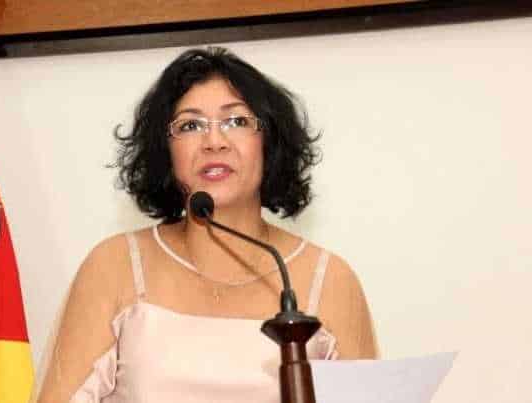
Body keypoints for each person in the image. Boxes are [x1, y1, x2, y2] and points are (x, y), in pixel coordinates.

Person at [36, 47, 376, 403]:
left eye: (236, 121)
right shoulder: (114, 266)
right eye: (190, 125)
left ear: (269, 142)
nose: (214, 142)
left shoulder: (329, 279)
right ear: (166, 151)